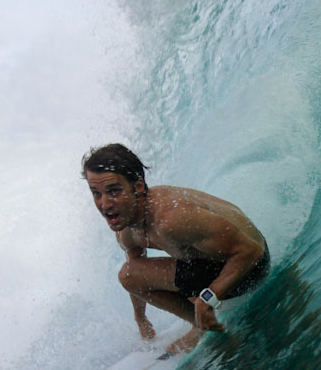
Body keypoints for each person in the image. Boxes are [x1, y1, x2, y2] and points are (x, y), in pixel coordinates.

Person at [83, 143, 270, 354]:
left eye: (114, 191)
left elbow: (252, 251)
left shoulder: (171, 219)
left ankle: (208, 326)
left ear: (138, 187)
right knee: (128, 274)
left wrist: (209, 297)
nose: (105, 204)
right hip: (210, 266)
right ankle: (201, 323)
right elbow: (135, 273)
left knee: (135, 276)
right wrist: (141, 318)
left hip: (251, 268)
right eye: (96, 193)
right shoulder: (126, 230)